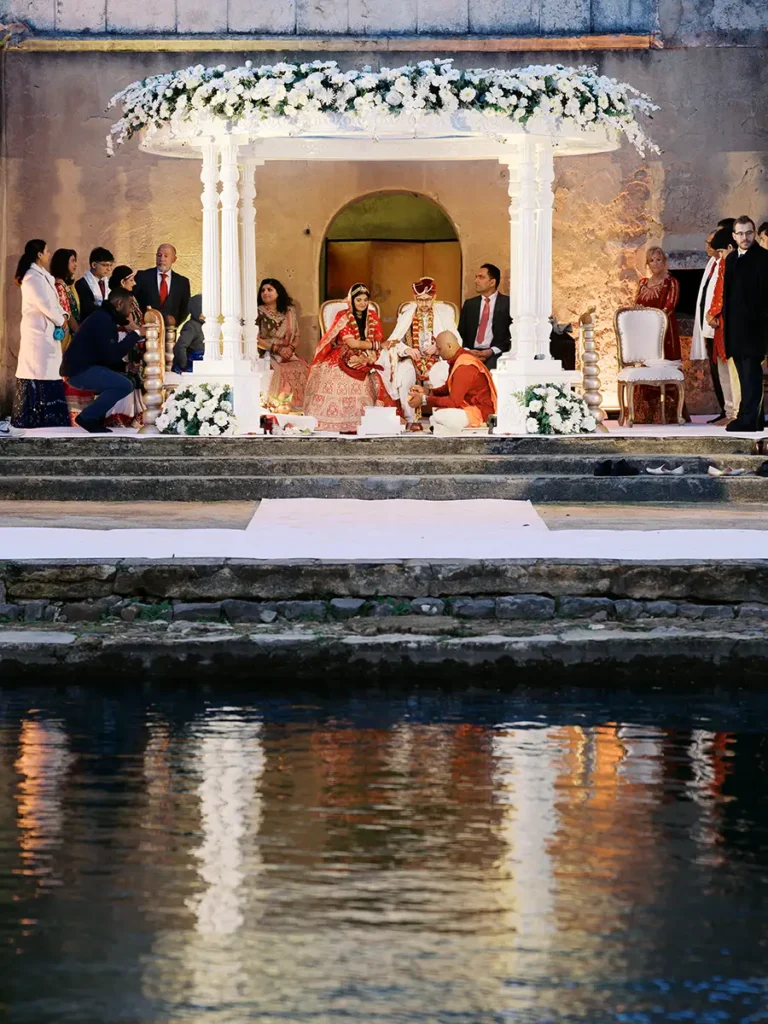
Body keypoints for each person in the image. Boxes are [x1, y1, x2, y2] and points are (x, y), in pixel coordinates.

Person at [60, 287, 146, 433]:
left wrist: (125, 367)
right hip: (78, 371)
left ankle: (96, 418)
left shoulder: (105, 317)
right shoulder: (104, 319)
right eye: (130, 305)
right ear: (119, 304)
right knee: (124, 385)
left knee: (126, 381)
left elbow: (105, 355)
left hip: (83, 369)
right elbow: (111, 355)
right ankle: (87, 417)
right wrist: (136, 334)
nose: (131, 311)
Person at [303, 283, 386, 432]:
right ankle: (335, 421)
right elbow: (352, 343)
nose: (362, 303)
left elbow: (378, 339)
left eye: (365, 300)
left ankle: (365, 420)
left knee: (378, 374)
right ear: (351, 301)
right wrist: (375, 346)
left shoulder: (372, 316)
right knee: (336, 375)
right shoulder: (343, 316)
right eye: (358, 300)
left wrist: (372, 351)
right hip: (342, 353)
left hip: (368, 354)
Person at [11, 239, 70, 428]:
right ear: (39, 254)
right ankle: (34, 419)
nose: (49, 254)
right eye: (47, 251)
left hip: (48, 332)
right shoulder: (31, 277)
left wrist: (64, 314)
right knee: (37, 373)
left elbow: (54, 302)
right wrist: (61, 319)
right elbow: (44, 304)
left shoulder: (44, 275)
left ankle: (50, 420)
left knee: (50, 373)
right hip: (37, 335)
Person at [384, 277, 457, 428]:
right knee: (405, 377)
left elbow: (456, 342)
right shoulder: (407, 315)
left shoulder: (444, 314)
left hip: (437, 359)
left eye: (428, 300)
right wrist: (407, 350)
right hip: (411, 360)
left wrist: (438, 347)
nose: (424, 304)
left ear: (434, 298)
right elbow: (394, 341)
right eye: (420, 300)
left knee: (441, 375)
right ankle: (411, 420)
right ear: (415, 298)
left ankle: (441, 420)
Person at [721, 216, 768, 433]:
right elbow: (728, 296)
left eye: (748, 233)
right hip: (735, 329)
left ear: (754, 233)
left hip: (754, 328)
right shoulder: (730, 260)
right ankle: (752, 418)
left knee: (751, 375)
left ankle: (748, 419)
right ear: (734, 236)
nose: (745, 237)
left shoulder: (763, 258)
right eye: (740, 233)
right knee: (743, 375)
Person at [632, 246, 687, 424]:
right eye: (652, 260)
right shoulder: (642, 283)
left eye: (658, 259)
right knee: (644, 369)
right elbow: (636, 303)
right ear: (647, 263)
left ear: (664, 261)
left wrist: (653, 321)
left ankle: (668, 414)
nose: (655, 263)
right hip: (644, 334)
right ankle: (644, 414)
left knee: (663, 368)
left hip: (663, 333)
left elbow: (669, 307)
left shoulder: (671, 282)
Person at [408, 331, 497, 435]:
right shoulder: (457, 359)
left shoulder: (465, 366)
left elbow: (453, 402)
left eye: (439, 348)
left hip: (479, 413)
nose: (437, 352)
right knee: (436, 416)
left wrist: (424, 400)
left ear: (449, 346)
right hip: (468, 408)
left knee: (439, 417)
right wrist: (426, 391)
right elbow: (447, 389)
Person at [705, 227, 741, 423]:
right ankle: (729, 412)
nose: (718, 255)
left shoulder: (738, 265)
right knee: (723, 369)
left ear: (729, 246)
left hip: (731, 324)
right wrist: (711, 314)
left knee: (734, 371)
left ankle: (737, 413)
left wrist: (715, 312)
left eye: (720, 251)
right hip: (720, 324)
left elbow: (729, 295)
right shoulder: (722, 264)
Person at [256, 279, 308, 411]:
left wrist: (290, 349)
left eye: (269, 290)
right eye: (263, 290)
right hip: (266, 353)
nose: (265, 293)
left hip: (287, 353)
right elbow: (254, 339)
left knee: (303, 368)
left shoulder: (290, 311)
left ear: (278, 292)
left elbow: (297, 336)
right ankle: (276, 406)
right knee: (279, 371)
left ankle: (299, 408)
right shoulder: (257, 312)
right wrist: (276, 349)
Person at [691, 230, 726, 422]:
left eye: (711, 242)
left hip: (717, 326)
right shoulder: (712, 263)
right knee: (715, 371)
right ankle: (725, 410)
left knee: (723, 370)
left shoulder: (723, 264)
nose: (707, 245)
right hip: (708, 326)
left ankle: (730, 412)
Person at [457, 263, 512, 370]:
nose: (476, 281)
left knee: (493, 369)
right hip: (471, 352)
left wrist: (492, 351)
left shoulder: (508, 303)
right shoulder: (470, 304)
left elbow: (511, 335)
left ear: (492, 282)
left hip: (496, 353)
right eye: (476, 277)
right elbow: (460, 333)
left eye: (481, 277)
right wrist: (468, 350)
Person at [134, 243, 191, 326]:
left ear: (174, 259)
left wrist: (173, 324)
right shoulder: (142, 276)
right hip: (145, 330)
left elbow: (185, 308)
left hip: (169, 333)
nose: (162, 259)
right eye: (159, 255)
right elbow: (134, 302)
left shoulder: (182, 282)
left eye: (166, 256)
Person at [50, 248, 81, 349]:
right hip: (64, 336)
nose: (75, 265)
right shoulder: (59, 286)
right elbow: (67, 313)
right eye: (72, 261)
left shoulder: (67, 285)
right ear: (63, 263)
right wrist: (79, 332)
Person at [75, 247, 114, 321]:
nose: (109, 269)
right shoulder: (82, 284)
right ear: (94, 265)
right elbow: (88, 308)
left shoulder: (108, 283)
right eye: (105, 265)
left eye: (110, 265)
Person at [173, 294, 206, 374]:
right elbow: (180, 346)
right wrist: (184, 365)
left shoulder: (204, 325)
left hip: (201, 364)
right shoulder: (191, 326)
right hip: (192, 365)